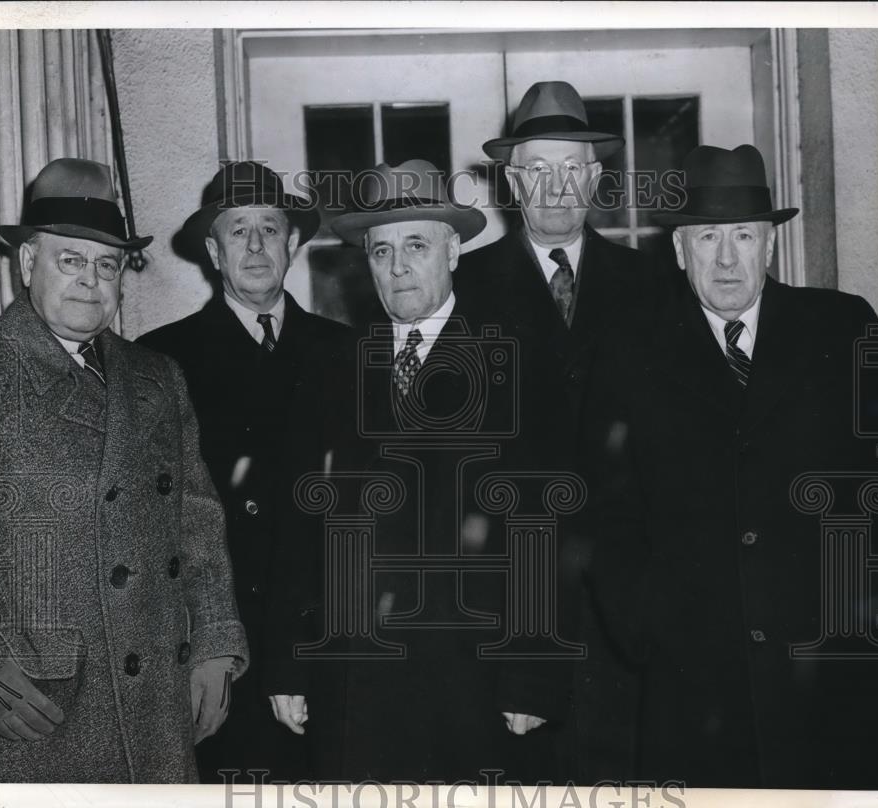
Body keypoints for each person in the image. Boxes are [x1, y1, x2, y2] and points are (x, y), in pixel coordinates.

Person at [580, 144, 878, 788]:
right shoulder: (628, 351)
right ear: (680, 250)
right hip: (696, 683)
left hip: (836, 674)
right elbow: (604, 511)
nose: (727, 259)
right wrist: (646, 627)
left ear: (770, 244)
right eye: (708, 237)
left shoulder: (842, 325)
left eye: (743, 235)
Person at [266, 160, 561, 783]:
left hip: (469, 678)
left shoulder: (513, 362)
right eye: (382, 250)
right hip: (350, 676)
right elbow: (298, 530)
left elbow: (543, 528)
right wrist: (289, 665)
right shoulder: (331, 369)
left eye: (416, 245)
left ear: (453, 250)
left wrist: (531, 672)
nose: (397, 266)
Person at [0, 157, 248, 783]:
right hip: (34, 708)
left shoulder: (157, 376)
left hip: (158, 709)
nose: (90, 281)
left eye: (107, 265)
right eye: (70, 259)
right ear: (27, 263)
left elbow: (198, 521)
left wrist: (214, 643)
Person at [457, 79, 664, 782]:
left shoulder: (654, 285)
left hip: (629, 617)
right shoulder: (463, 287)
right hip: (511, 615)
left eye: (570, 168)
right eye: (537, 170)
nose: (554, 186)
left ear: (596, 179)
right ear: (513, 183)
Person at [138, 161, 350, 782]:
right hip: (222, 644)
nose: (256, 246)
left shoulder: (346, 352)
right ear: (213, 252)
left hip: (326, 635)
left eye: (270, 228)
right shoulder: (161, 359)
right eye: (238, 231)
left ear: (293, 242)